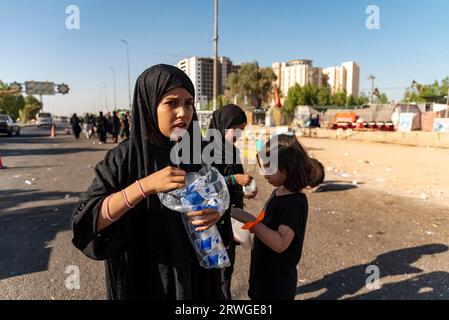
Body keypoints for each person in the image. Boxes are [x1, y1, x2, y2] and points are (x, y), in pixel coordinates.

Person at [72, 64, 222, 300]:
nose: (183, 112)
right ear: (148, 105)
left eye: (189, 103)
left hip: (195, 274)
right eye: (172, 103)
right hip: (144, 279)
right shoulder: (124, 159)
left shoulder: (198, 152)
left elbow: (217, 194)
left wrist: (217, 212)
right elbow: (88, 221)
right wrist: (144, 186)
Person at [231, 134, 317, 300]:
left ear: (289, 166)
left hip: (276, 286)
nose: (265, 175)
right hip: (262, 276)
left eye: (270, 168)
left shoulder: (295, 203)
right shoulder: (278, 192)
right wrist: (245, 230)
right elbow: (265, 224)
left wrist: (250, 221)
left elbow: (280, 243)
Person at [208, 104, 257, 300]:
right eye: (236, 129)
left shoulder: (233, 152)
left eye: (242, 130)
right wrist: (234, 180)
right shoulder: (205, 151)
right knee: (216, 276)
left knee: (226, 271)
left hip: (230, 221)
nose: (239, 134)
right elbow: (206, 184)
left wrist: (245, 191)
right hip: (212, 224)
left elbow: (237, 179)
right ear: (223, 124)